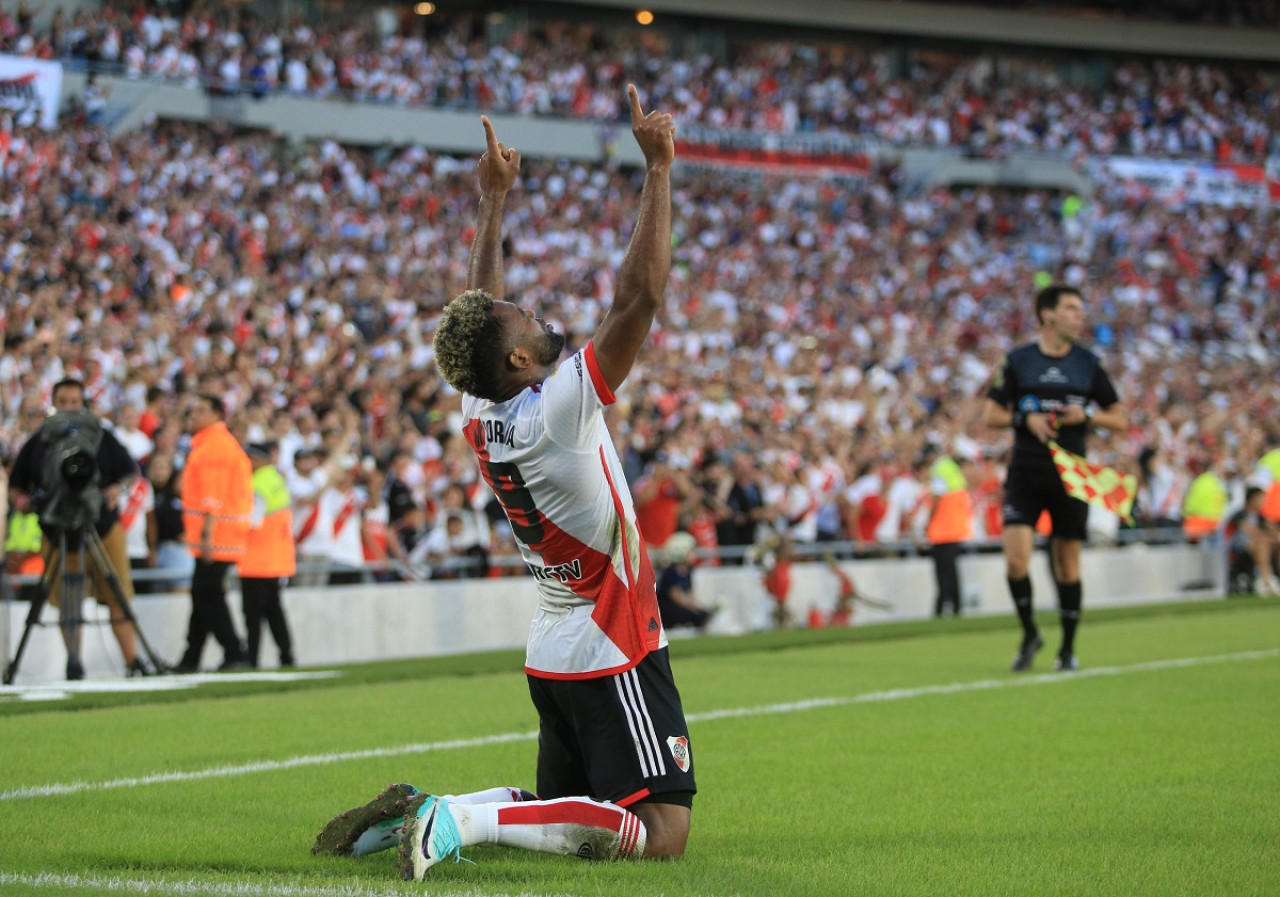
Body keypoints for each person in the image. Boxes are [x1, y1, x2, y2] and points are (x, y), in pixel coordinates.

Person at [313, 87, 692, 879]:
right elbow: (640, 297)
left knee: (573, 822)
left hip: (557, 646)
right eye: (524, 317)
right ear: (517, 360)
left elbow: (478, 314)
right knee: (657, 833)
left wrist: (492, 201)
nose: (532, 311)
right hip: (610, 640)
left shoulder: (479, 406)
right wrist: (658, 170)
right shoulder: (558, 410)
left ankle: (430, 810)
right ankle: (459, 816)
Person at [983, 284, 1127, 673]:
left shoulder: (1088, 363)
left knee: (1067, 564)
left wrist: (1088, 417)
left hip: (1072, 474)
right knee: (1016, 560)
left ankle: (1068, 648)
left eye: (1080, 309)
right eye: (1072, 309)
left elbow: (1119, 417)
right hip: (1026, 471)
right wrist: (1023, 418)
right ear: (1048, 315)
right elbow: (991, 415)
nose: (1080, 316)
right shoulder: (1018, 361)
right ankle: (1030, 632)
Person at [6, 378, 147, 679]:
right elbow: (16, 486)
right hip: (57, 532)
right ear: (53, 403)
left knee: (117, 597)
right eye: (63, 401)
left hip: (102, 528)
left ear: (83, 403)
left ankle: (133, 661)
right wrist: (22, 501)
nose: (69, 408)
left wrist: (115, 489)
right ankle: (74, 664)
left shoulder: (101, 436)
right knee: (68, 603)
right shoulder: (40, 440)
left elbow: (129, 472)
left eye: (75, 401)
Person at [174, 393, 252, 673]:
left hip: (217, 536)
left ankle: (234, 651)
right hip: (220, 534)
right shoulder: (212, 444)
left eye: (201, 411)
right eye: (192, 411)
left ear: (217, 414)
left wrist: (207, 535)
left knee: (207, 595)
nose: (193, 416)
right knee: (203, 595)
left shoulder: (214, 447)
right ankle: (192, 656)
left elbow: (213, 497)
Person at [236, 442, 296, 668]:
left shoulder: (257, 484)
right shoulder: (275, 478)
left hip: (256, 560)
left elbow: (252, 520)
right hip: (275, 559)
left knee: (253, 615)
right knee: (274, 612)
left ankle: (252, 659)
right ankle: (286, 654)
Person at [921, 448, 974, 618]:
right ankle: (956, 607)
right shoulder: (953, 469)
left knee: (943, 573)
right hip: (955, 529)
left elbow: (936, 498)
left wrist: (927, 523)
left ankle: (941, 608)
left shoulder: (940, 468)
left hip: (941, 530)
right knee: (952, 572)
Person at [655, 531, 716, 631]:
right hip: (668, 609)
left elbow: (690, 593)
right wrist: (692, 608)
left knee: (702, 614)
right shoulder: (671, 571)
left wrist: (696, 606)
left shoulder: (688, 571)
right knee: (695, 616)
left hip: (681, 606)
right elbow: (675, 596)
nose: (694, 554)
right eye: (691, 551)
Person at [1225, 486, 1277, 596]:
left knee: (1273, 543)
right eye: (1261, 499)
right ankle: (1266, 581)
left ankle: (1272, 577)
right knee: (1262, 544)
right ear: (1252, 499)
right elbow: (1251, 532)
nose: (1263, 502)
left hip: (1258, 545)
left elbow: (1272, 532)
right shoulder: (1240, 515)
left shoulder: (1261, 516)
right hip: (1240, 548)